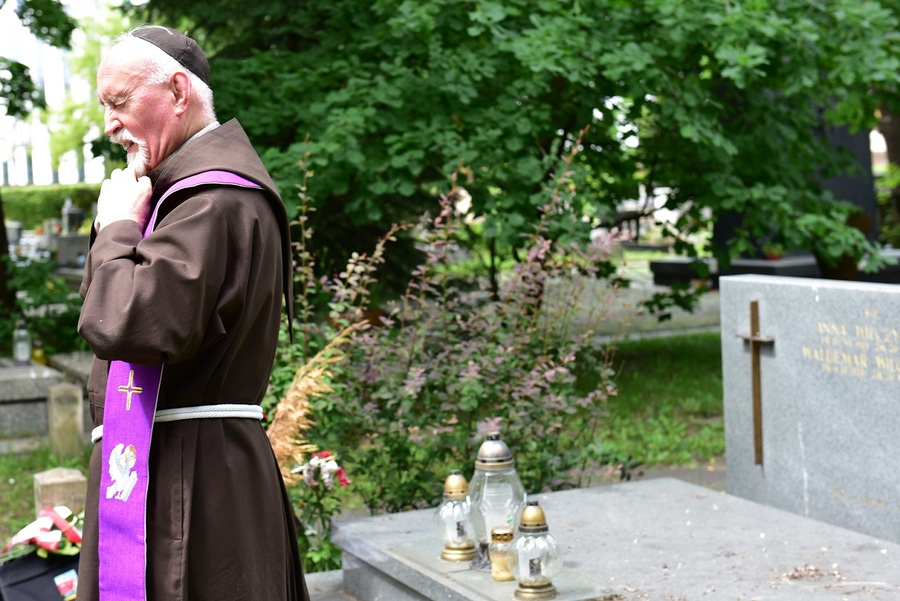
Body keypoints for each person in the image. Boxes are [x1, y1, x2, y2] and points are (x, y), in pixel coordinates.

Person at [77, 25, 309, 600]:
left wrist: (118, 230)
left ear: (178, 92)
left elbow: (126, 325)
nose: (109, 124)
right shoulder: (177, 194)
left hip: (193, 478)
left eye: (119, 102)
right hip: (183, 463)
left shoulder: (211, 200)